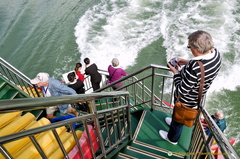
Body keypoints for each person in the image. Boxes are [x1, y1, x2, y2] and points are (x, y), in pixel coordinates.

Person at [159, 30, 222, 145]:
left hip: (187, 101)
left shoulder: (194, 67)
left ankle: (172, 138)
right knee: (178, 116)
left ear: (197, 49)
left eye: (189, 46)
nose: (189, 48)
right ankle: (174, 122)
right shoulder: (216, 54)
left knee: (180, 116)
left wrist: (176, 72)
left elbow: (182, 90)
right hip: (198, 96)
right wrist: (187, 62)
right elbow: (203, 67)